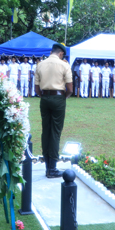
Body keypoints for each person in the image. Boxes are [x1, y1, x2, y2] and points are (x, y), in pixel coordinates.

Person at [34, 43, 73, 178]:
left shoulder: (40, 64)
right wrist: (63, 98)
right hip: (58, 98)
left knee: (46, 131)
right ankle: (52, 168)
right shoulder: (64, 65)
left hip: (44, 98)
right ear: (61, 53)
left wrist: (46, 96)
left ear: (52, 52)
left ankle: (47, 166)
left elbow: (37, 89)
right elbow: (70, 88)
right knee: (55, 132)